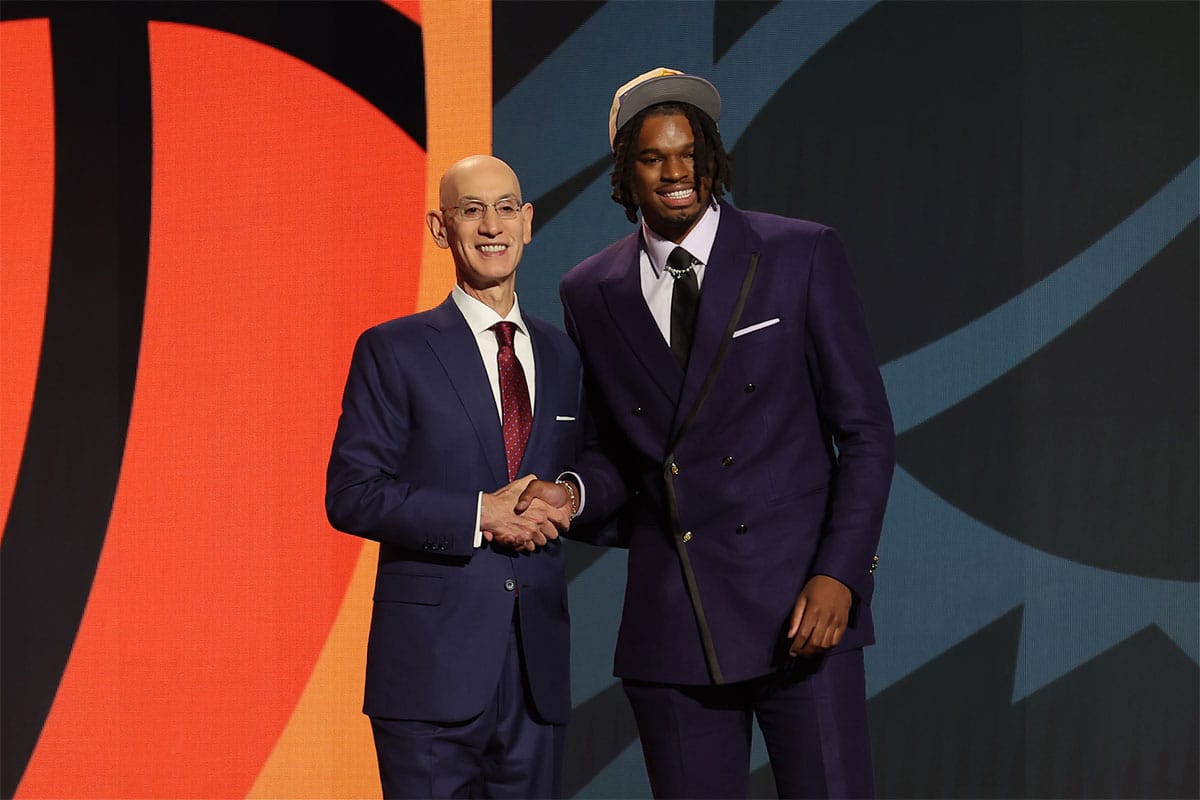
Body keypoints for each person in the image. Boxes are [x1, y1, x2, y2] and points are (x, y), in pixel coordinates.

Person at [522, 68, 896, 798]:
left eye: (690, 152)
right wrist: (567, 492)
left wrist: (840, 575)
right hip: (673, 625)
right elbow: (610, 455)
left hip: (801, 613)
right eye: (653, 157)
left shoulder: (800, 253)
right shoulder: (588, 291)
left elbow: (867, 432)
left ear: (713, 158)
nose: (676, 172)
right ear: (625, 173)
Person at [326, 155, 582, 799]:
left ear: (528, 223)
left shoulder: (563, 353)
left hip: (535, 676)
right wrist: (480, 514)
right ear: (441, 229)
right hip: (428, 676)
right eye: (470, 210)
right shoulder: (393, 349)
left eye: (504, 208)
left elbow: (596, 468)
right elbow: (353, 493)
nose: (490, 225)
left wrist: (573, 495)